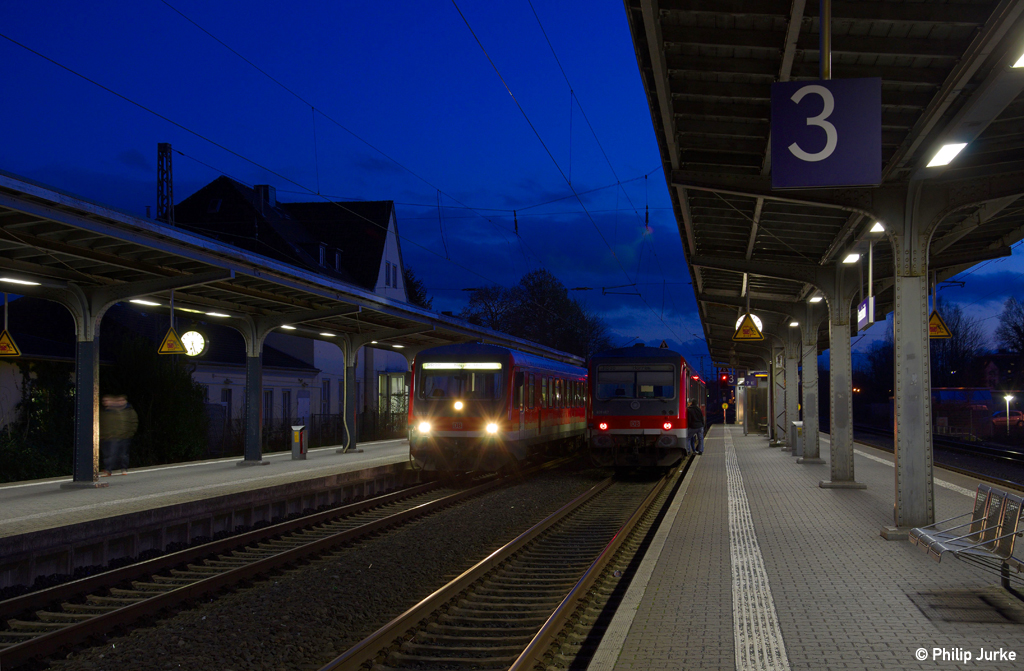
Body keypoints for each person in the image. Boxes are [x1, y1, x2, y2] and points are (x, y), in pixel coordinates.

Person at [100, 394, 138, 476]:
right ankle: (108, 469)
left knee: (123, 454)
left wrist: (130, 433)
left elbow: (133, 422)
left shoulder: (128, 411)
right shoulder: (105, 412)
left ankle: (123, 468)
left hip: (124, 436)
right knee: (109, 454)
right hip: (109, 437)